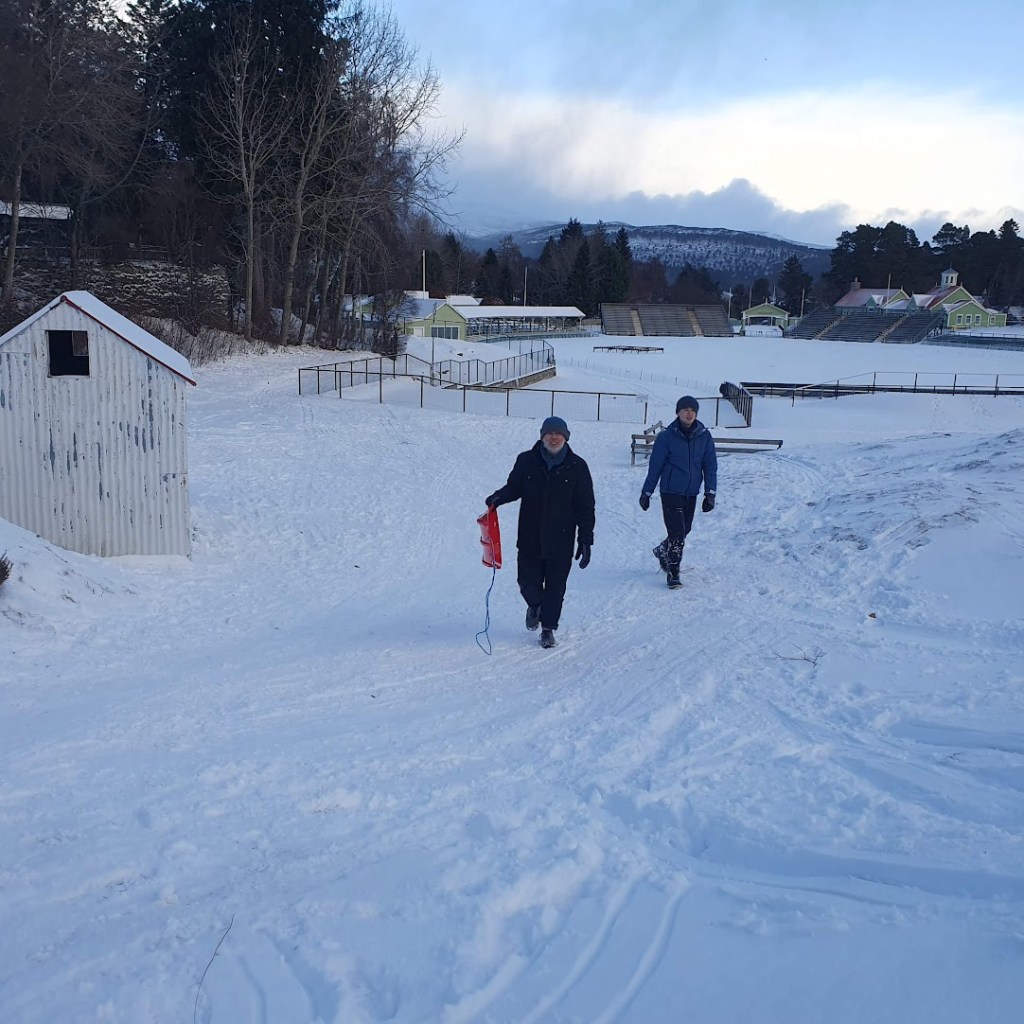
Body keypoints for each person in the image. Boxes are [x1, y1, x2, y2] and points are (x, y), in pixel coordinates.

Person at [486, 416, 595, 648]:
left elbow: (585, 505)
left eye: (558, 434)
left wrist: (586, 539)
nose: (553, 437)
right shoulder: (526, 460)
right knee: (527, 582)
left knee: (555, 587)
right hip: (530, 537)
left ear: (565, 437)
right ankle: (534, 605)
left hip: (561, 539)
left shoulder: (578, 466)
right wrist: (498, 497)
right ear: (542, 436)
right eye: (549, 433)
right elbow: (514, 487)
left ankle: (548, 628)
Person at [639, 395, 717, 588]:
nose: (689, 414)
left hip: (691, 492)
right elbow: (655, 466)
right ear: (678, 412)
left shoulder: (704, 436)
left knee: (685, 530)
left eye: (693, 410)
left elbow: (710, 466)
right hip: (670, 491)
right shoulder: (666, 437)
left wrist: (710, 493)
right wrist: (646, 492)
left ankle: (662, 549)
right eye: (685, 410)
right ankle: (673, 572)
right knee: (677, 534)